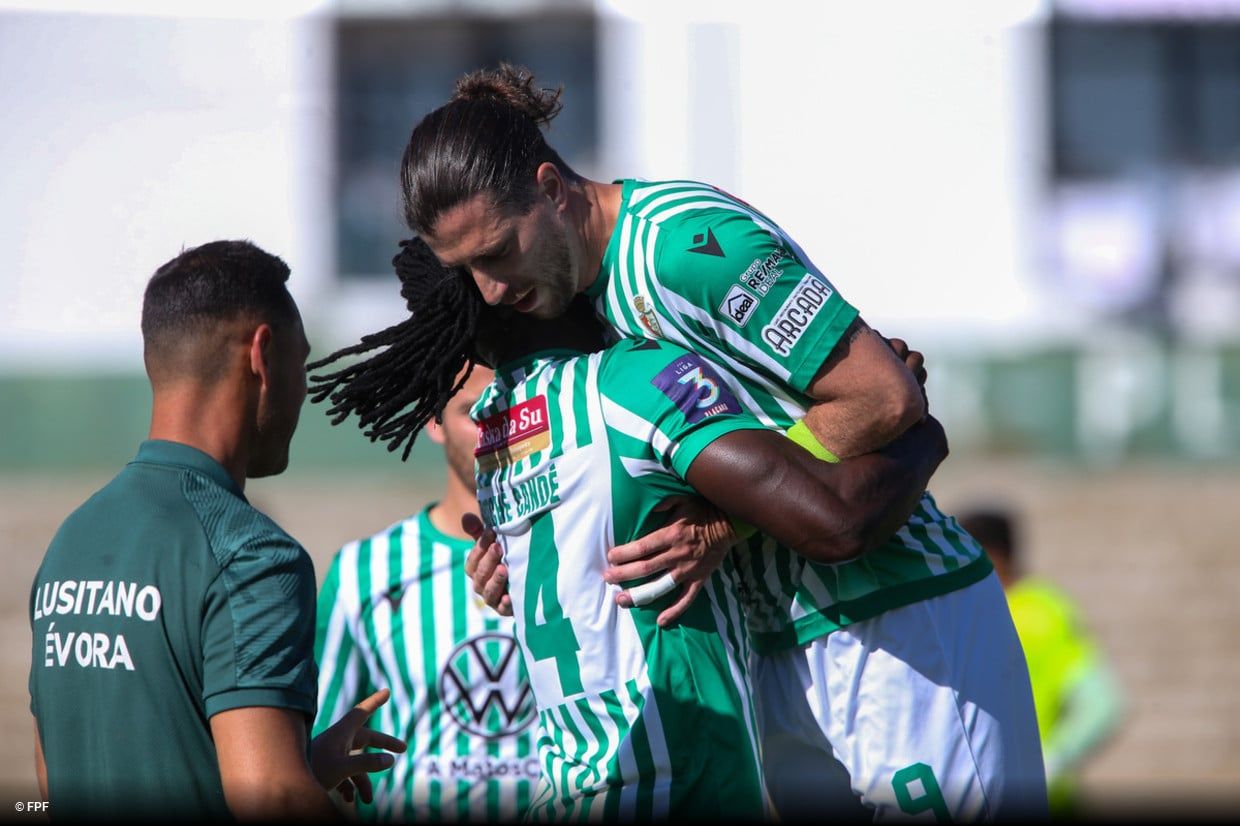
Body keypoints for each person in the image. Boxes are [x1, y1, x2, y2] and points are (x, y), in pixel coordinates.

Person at [398, 64, 1048, 820]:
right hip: (773, 647)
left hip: (897, 621)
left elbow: (884, 395)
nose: (490, 290)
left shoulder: (682, 246)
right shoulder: (576, 306)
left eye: (498, 252)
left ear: (550, 187)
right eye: (466, 270)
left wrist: (724, 522)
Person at [308, 238, 950, 820]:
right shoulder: (630, 383)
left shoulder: (497, 431)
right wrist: (913, 428)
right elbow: (831, 519)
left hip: (566, 789)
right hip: (682, 784)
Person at [28, 240, 404, 821]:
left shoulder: (70, 543)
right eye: (301, 365)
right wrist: (288, 779)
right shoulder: (251, 555)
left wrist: (300, 763)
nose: (302, 390)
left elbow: (52, 779)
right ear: (262, 354)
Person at [312, 362, 541, 822]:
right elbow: (314, 751)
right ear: (433, 422)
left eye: (508, 412)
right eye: (473, 414)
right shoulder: (365, 571)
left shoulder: (576, 553)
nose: (492, 432)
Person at [958, 507, 1125, 817]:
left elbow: (1104, 705)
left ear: (992, 556)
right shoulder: (1045, 606)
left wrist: (1050, 762)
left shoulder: (1037, 613)